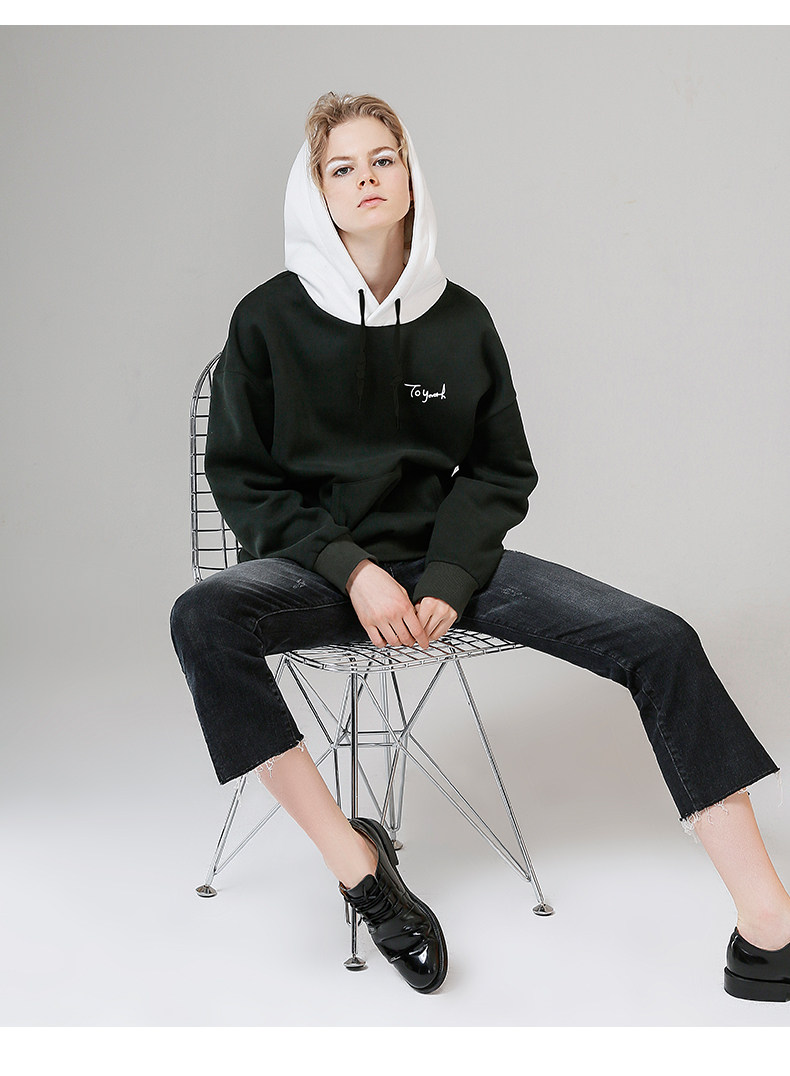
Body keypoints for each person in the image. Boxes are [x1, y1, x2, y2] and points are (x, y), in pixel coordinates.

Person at [170, 91, 790, 1001]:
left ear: (410, 176)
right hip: (319, 571)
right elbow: (245, 480)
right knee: (203, 618)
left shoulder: (460, 318)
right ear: (317, 192)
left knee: (663, 639)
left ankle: (768, 927)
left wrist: (451, 577)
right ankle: (359, 868)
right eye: (342, 167)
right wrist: (354, 571)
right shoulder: (266, 320)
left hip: (447, 571)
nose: (366, 178)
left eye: (383, 159)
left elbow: (499, 471)